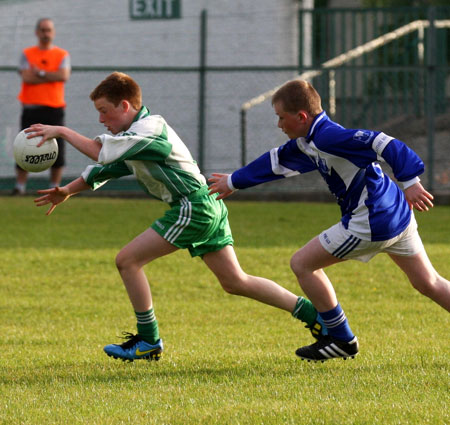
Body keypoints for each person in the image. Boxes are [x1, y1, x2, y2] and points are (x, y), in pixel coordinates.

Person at [29, 72, 325, 362]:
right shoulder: (133, 138)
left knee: (128, 260)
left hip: (193, 206)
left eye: (104, 112)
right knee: (235, 281)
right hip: (207, 204)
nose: (101, 120)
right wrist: (66, 190)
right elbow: (104, 169)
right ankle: (317, 317)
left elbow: (101, 152)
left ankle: (148, 340)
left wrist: (62, 131)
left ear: (125, 106)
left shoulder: (150, 128)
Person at [208, 79, 450, 362]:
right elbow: (276, 162)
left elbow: (383, 142)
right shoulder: (310, 140)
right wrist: (234, 181)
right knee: (428, 282)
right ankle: (339, 338)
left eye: (281, 118)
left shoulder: (327, 138)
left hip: (372, 220)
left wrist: (411, 180)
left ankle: (341, 339)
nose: (279, 125)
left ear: (301, 117)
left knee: (302, 264)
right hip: (395, 213)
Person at [13, 17, 71, 195]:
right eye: (43, 30)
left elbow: (63, 76)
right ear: (37, 32)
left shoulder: (62, 55)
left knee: (57, 149)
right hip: (31, 108)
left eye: (49, 30)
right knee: (24, 146)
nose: (46, 33)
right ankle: (20, 187)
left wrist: (40, 72)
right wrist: (49, 75)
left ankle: (55, 187)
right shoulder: (27, 53)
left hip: (54, 109)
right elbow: (26, 77)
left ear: (53, 33)